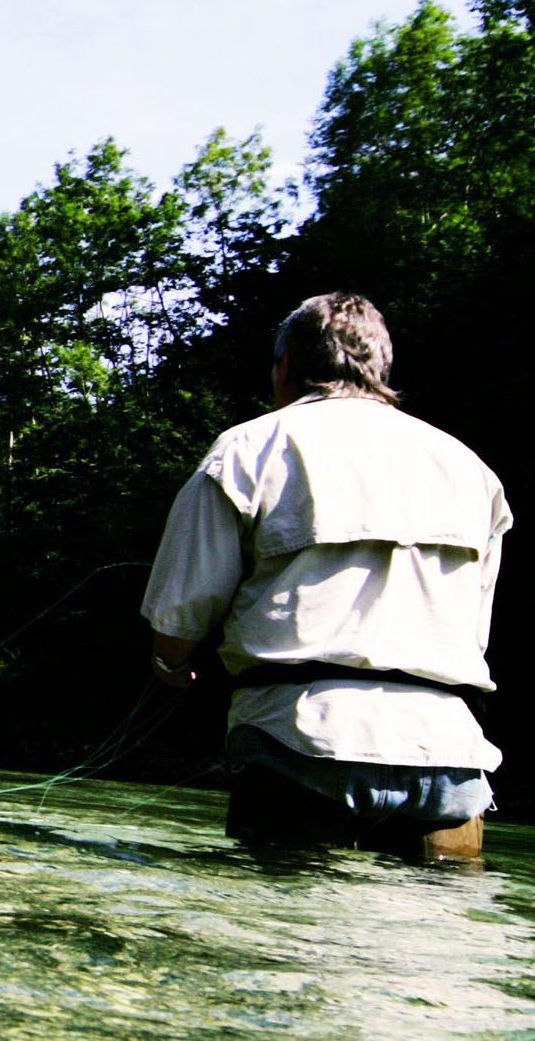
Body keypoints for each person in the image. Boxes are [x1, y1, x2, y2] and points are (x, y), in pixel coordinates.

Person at [140, 292, 510, 862]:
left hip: (300, 740)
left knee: (286, 940)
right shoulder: (468, 466)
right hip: (446, 748)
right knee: (444, 942)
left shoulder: (248, 448)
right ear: (380, 368)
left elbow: (181, 610)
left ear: (285, 366)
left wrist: (171, 663)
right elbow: (476, 624)